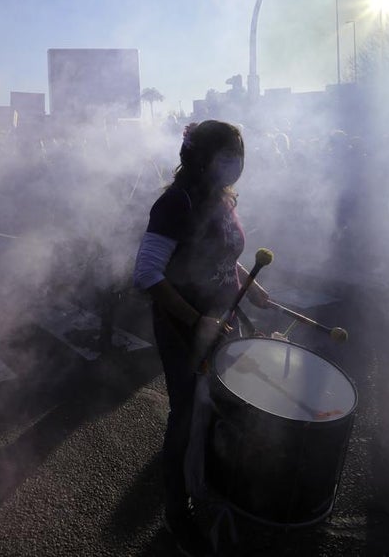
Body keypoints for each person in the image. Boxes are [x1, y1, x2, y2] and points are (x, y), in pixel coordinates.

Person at [132, 120, 268, 556]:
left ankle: (211, 483)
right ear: (200, 158)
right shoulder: (176, 202)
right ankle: (177, 511)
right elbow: (147, 273)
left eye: (240, 156)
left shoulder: (223, 200)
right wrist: (196, 320)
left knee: (224, 408)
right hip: (183, 328)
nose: (236, 166)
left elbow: (225, 256)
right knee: (186, 415)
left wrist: (250, 282)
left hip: (222, 319)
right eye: (227, 157)